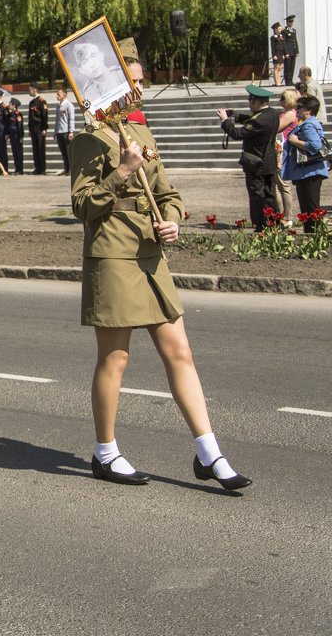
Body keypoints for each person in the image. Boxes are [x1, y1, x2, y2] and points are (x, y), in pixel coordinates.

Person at [70, 76, 251, 491]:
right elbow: (82, 205)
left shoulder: (140, 131)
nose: (137, 84)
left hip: (151, 253)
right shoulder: (89, 139)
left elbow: (167, 191)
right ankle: (106, 451)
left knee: (180, 352)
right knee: (115, 358)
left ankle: (209, 453)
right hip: (113, 254)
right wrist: (123, 171)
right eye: (129, 78)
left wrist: (172, 218)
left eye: (137, 78)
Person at [218, 85, 280, 232]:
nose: (249, 104)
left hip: (256, 163)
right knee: (269, 196)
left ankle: (261, 226)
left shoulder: (259, 120)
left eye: (250, 101)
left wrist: (225, 121)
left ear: (256, 102)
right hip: (268, 162)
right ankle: (274, 224)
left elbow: (237, 134)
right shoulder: (271, 113)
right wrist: (235, 115)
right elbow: (252, 120)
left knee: (257, 197)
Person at [281, 96, 328, 232]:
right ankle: (312, 233)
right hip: (308, 172)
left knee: (311, 207)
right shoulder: (308, 123)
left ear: (309, 110)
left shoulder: (308, 125)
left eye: (299, 107)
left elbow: (315, 145)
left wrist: (295, 141)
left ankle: (314, 235)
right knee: (308, 207)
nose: (296, 110)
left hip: (310, 172)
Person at [274, 89, 300, 226]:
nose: (281, 100)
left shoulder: (290, 114)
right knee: (275, 185)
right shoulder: (288, 113)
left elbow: (276, 127)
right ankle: (281, 214)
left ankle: (288, 216)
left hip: (280, 150)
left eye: (283, 98)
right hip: (277, 148)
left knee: (282, 184)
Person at [26, 86, 49, 175]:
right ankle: (37, 168)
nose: (29, 92)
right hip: (33, 128)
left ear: (34, 90)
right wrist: (30, 129)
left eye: (30, 90)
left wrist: (44, 128)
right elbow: (30, 117)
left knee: (41, 148)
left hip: (40, 127)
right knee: (35, 148)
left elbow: (44, 115)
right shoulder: (31, 102)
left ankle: (43, 168)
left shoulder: (42, 101)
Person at [54, 88, 75, 175]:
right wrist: (55, 131)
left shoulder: (68, 105)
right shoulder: (58, 106)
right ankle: (66, 168)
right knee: (63, 151)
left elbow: (71, 118)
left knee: (68, 151)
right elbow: (57, 120)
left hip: (66, 131)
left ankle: (71, 169)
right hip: (60, 131)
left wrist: (71, 131)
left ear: (64, 95)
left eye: (59, 94)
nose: (57, 96)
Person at [5, 96, 25, 174]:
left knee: (19, 152)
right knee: (14, 152)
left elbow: (20, 126)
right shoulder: (10, 114)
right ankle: (16, 168)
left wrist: (21, 136)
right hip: (12, 136)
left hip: (17, 136)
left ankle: (20, 169)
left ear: (14, 105)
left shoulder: (18, 114)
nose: (9, 105)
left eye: (10, 104)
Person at [282, 14, 299, 86]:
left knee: (292, 67)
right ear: (287, 22)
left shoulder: (293, 31)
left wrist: (297, 51)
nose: (292, 23)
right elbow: (284, 43)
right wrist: (286, 52)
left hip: (293, 51)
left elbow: (295, 41)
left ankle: (291, 80)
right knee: (287, 67)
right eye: (290, 22)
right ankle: (287, 81)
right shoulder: (285, 31)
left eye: (292, 22)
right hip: (288, 52)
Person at [270, 22, 287, 86]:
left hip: (281, 54)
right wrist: (274, 55)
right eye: (279, 29)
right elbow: (273, 47)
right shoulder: (273, 37)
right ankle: (276, 82)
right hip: (276, 54)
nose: (281, 30)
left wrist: (283, 54)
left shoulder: (281, 37)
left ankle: (279, 81)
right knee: (276, 68)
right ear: (275, 29)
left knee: (280, 68)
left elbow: (282, 46)